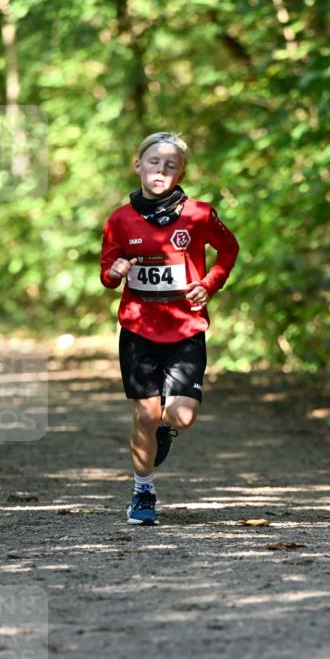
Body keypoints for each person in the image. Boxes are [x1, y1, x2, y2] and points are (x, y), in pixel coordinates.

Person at [100, 131, 240, 526]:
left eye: (170, 165)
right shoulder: (120, 220)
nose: (160, 170)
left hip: (185, 327)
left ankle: (162, 426)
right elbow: (107, 276)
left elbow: (229, 249)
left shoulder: (199, 214)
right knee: (143, 415)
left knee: (181, 417)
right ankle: (143, 493)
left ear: (180, 174)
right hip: (138, 328)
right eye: (153, 162)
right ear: (138, 166)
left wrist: (209, 283)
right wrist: (117, 270)